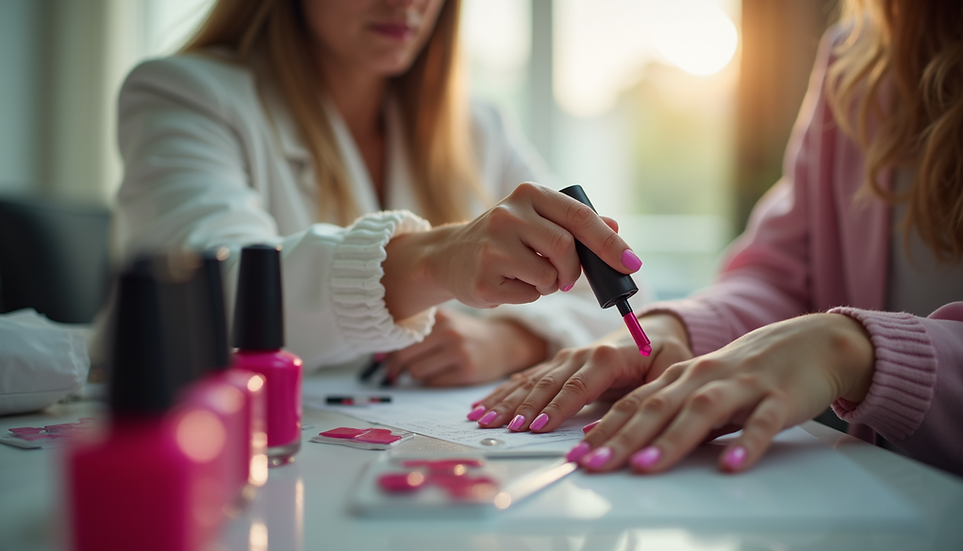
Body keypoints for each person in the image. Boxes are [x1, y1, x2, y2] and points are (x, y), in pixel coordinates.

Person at [472, 0, 963, 477]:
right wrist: (682, 330)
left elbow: (821, 333)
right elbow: (782, 272)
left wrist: (851, 349)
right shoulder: (860, 56)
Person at [115, 0, 637, 383]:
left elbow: (623, 301)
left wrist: (515, 341)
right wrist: (431, 262)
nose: (408, 4)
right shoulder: (183, 93)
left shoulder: (481, 127)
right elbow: (204, 294)